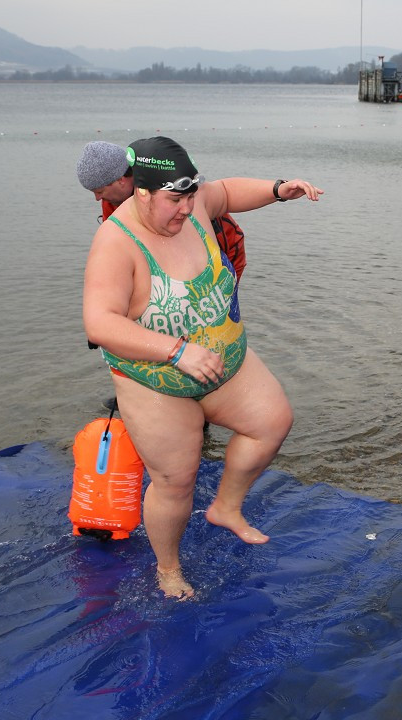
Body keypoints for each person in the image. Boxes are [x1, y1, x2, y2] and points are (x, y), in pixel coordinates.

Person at [82, 135, 323, 599]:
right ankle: (168, 569)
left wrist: (278, 189)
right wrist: (176, 351)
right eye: (175, 200)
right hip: (157, 380)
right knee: (176, 482)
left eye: (191, 196)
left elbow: (228, 192)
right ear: (143, 193)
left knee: (273, 423)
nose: (187, 209)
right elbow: (99, 322)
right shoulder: (116, 242)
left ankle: (226, 507)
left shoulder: (194, 205)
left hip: (224, 361)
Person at [77, 140, 247, 282]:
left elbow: (222, 197)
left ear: (120, 180)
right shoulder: (112, 202)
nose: (98, 199)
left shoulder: (166, 185)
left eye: (99, 192)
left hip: (225, 251)